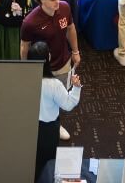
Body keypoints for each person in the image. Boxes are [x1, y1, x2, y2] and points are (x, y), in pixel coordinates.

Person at [20, 0, 82, 142]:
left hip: (63, 62)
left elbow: (71, 29)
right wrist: (25, 69)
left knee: (59, 96)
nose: (57, 2)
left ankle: (56, 123)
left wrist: (75, 51)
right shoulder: (30, 22)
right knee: (38, 98)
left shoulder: (65, 8)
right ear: (41, 0)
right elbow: (24, 46)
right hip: (41, 68)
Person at [29, 39, 82, 178]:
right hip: (48, 129)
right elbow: (69, 104)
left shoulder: (24, 80)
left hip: (28, 127)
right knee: (47, 162)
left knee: (30, 159)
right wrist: (76, 88)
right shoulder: (54, 85)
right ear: (48, 58)